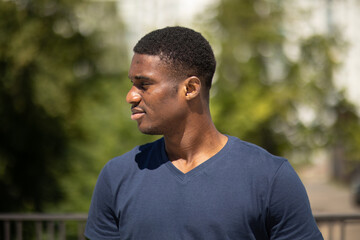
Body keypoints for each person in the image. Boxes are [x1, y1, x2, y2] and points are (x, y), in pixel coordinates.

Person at [85, 26, 323, 240]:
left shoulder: (270, 178)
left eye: (143, 84)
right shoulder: (117, 176)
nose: (131, 96)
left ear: (190, 88)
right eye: (132, 84)